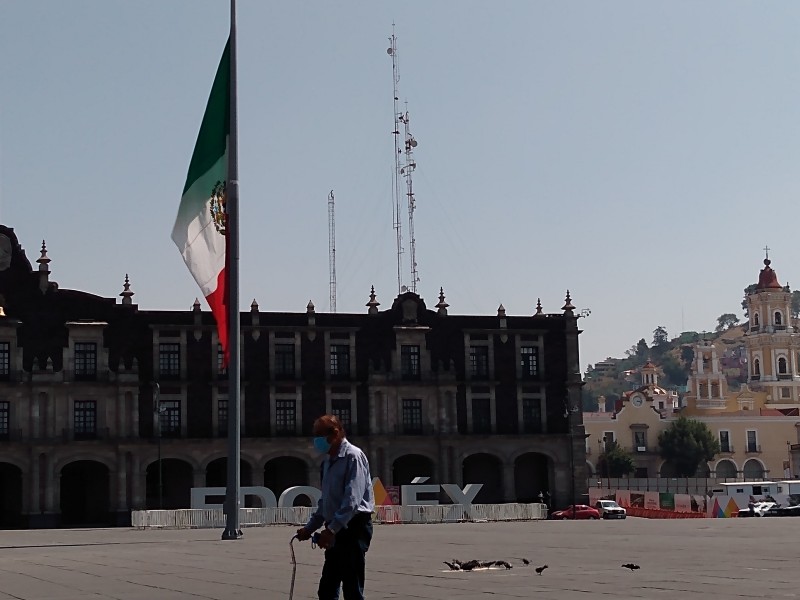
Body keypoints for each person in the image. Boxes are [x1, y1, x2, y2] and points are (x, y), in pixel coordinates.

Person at [297, 415, 374, 600]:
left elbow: (352, 500)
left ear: (336, 433)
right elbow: (326, 501)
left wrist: (331, 530)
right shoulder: (328, 462)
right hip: (335, 528)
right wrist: (310, 528)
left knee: (351, 585)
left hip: (353, 526)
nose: (316, 440)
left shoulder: (353, 456)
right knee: (327, 588)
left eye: (319, 435)